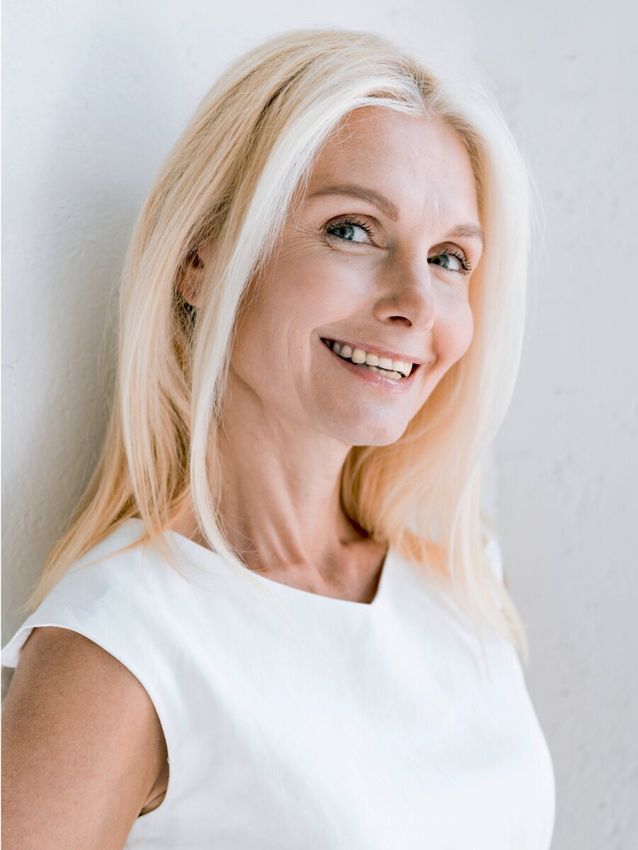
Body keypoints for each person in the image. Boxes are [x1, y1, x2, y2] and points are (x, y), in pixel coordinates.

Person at [1, 27, 555, 850]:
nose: (416, 302)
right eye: (353, 229)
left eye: (448, 257)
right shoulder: (120, 647)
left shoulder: (460, 581)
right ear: (203, 257)